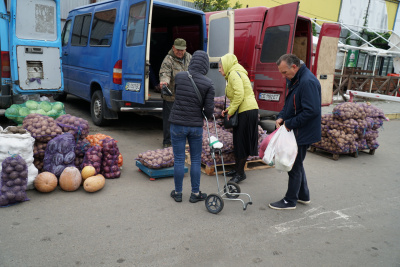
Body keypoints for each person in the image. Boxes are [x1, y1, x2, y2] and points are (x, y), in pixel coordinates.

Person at [269, 54, 321, 210]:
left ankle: (290, 200)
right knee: (297, 164)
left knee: (293, 166)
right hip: (297, 130)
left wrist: (289, 123)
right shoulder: (294, 79)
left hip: (303, 132)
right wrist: (281, 117)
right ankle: (303, 195)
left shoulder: (307, 82)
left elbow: (311, 111)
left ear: (294, 66)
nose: (283, 76)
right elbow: (289, 103)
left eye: (284, 72)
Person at [169, 50, 215, 203]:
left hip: (177, 124)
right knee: (195, 159)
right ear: (205, 65)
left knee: (179, 159)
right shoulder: (209, 84)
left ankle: (178, 193)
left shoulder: (180, 76)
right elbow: (209, 110)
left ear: (192, 61)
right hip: (195, 125)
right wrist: (203, 113)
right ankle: (195, 194)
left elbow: (176, 96)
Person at [219, 53, 259, 184]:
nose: (219, 70)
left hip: (246, 111)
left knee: (241, 142)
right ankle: (238, 169)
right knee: (238, 141)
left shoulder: (233, 74)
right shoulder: (236, 72)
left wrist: (230, 111)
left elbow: (240, 94)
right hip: (246, 110)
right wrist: (230, 109)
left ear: (226, 65)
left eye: (220, 67)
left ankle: (240, 173)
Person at [159, 38, 192, 148]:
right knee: (170, 120)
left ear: (185, 49)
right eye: (177, 49)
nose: (180, 52)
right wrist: (164, 82)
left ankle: (182, 141)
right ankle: (167, 142)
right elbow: (165, 73)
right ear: (173, 47)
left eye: (182, 50)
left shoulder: (189, 57)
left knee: (184, 119)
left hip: (185, 96)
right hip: (171, 96)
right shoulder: (168, 59)